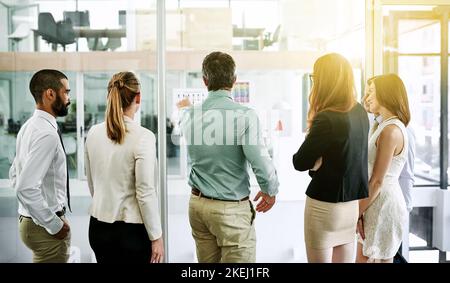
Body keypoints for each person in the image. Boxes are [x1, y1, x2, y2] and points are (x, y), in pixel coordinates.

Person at [177, 51, 279, 263]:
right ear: (234, 80)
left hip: (198, 207)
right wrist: (270, 190)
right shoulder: (245, 116)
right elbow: (260, 161)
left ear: (205, 81)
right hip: (230, 211)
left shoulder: (188, 116)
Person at [292, 53, 370, 263]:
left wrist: (317, 158)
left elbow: (299, 162)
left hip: (324, 208)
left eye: (315, 77)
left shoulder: (327, 118)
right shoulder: (361, 112)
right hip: (350, 207)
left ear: (324, 81)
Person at [84, 71, 164, 263]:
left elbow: (92, 182)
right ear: (138, 97)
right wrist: (156, 236)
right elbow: (145, 192)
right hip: (131, 233)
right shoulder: (143, 136)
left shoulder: (93, 132)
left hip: (98, 229)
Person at [9, 69, 72, 263]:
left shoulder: (29, 126)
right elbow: (25, 187)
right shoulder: (46, 133)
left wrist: (30, 210)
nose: (69, 98)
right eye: (66, 92)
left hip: (30, 222)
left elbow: (14, 173)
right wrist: (54, 224)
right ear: (50, 94)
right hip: (44, 228)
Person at [356, 74, 410, 263]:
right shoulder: (382, 126)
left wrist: (355, 213)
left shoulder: (391, 130)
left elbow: (377, 180)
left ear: (386, 94)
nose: (366, 98)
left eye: (370, 92)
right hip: (373, 201)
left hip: (383, 204)